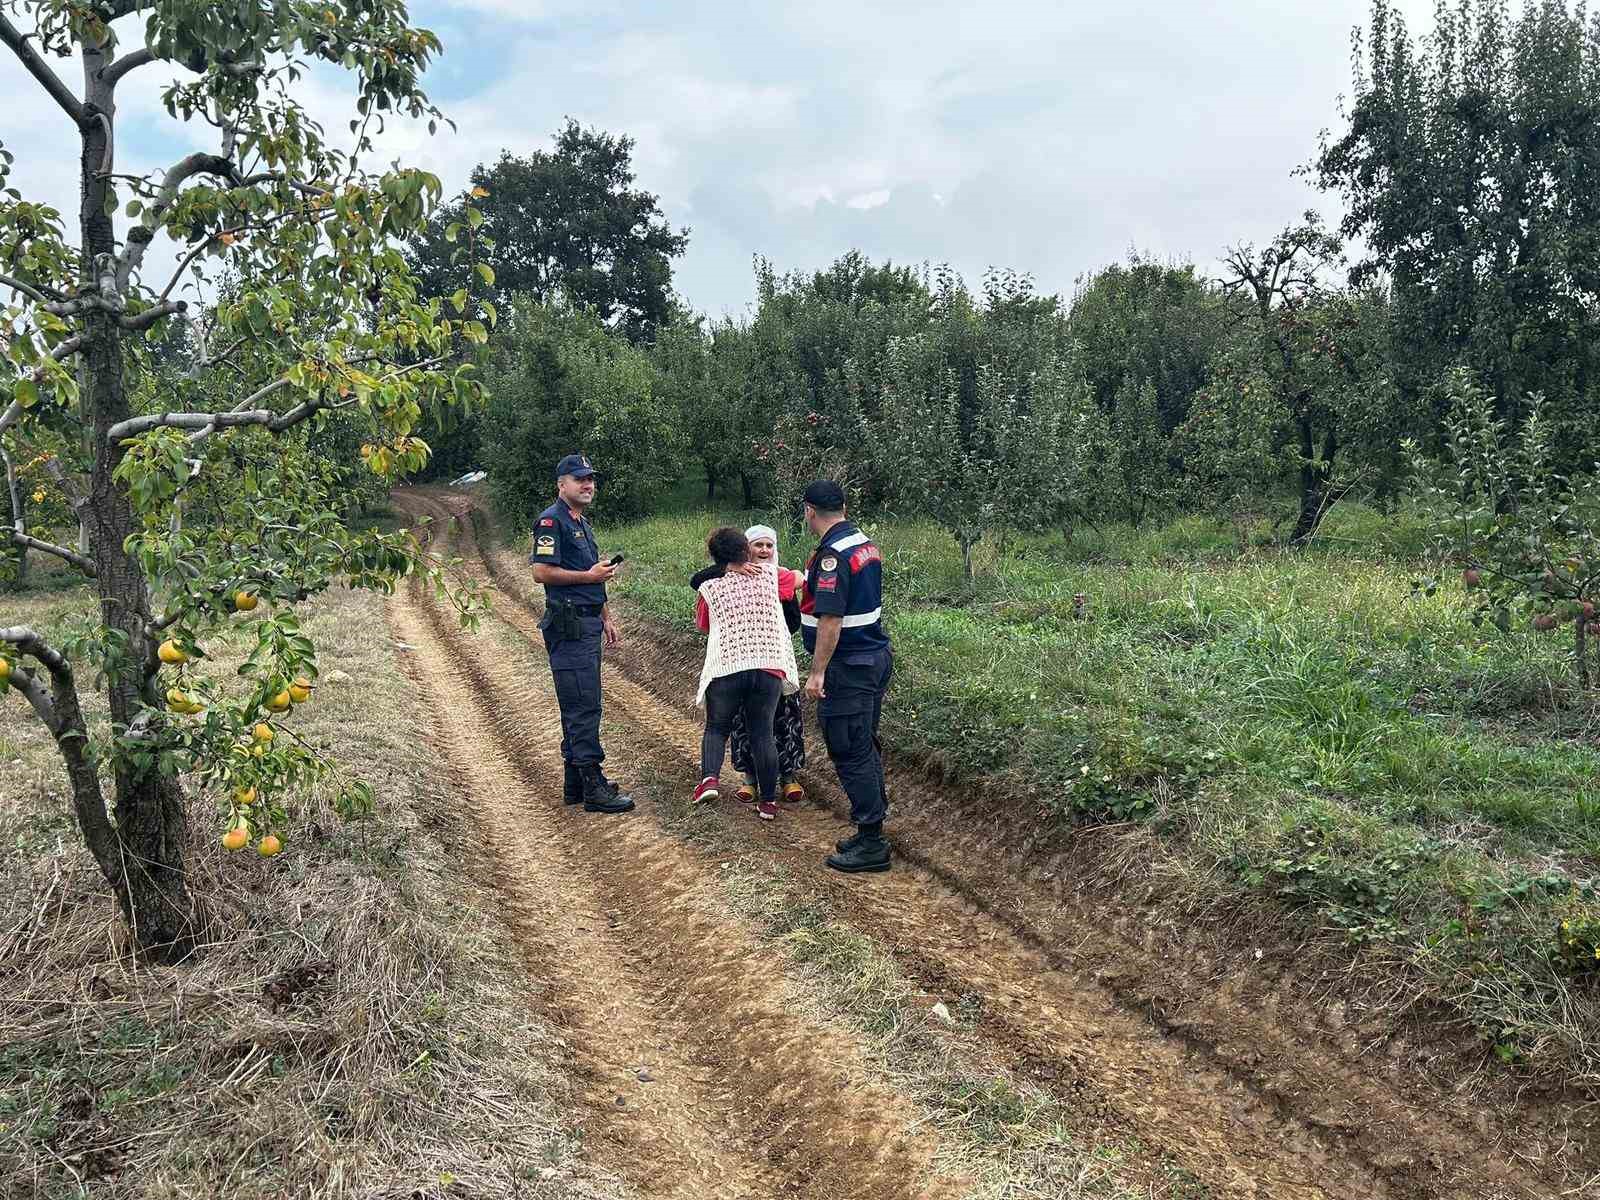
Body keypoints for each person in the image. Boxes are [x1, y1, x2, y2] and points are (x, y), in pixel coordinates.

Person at [529, 453, 634, 814]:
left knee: (581, 703)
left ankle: (575, 783)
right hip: (569, 624)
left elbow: (592, 572)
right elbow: (541, 572)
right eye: (579, 479)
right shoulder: (551, 520)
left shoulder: (581, 523)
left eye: (591, 479)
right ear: (562, 485)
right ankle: (592, 787)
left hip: (588, 621)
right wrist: (588, 578)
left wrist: (605, 614)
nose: (588, 485)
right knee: (583, 705)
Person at [798, 480, 893, 873]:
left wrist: (817, 672)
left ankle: (872, 842)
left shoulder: (832, 553)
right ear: (843, 506)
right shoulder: (862, 542)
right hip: (872, 657)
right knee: (862, 745)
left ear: (809, 511)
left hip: (848, 666)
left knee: (850, 748)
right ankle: (869, 829)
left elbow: (831, 619)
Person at [688, 524, 807, 807]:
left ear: (714, 555)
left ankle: (709, 781)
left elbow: (703, 624)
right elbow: (802, 578)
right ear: (747, 549)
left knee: (717, 728)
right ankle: (767, 802)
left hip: (727, 665)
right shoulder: (773, 575)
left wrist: (726, 571)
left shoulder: (709, 585)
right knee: (762, 733)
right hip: (768, 666)